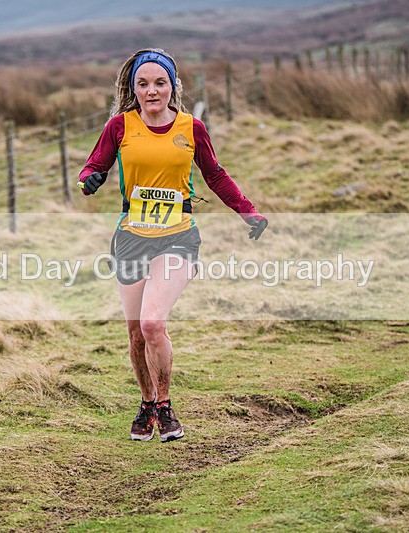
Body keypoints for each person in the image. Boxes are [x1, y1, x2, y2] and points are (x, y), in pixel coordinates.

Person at [79, 48, 268, 442]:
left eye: (159, 83)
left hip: (178, 236)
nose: (151, 91)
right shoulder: (120, 126)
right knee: (135, 332)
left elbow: (215, 174)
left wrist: (247, 212)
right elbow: (93, 166)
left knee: (152, 323)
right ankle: (146, 403)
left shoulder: (191, 128)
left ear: (172, 86)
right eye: (143, 84)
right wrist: (90, 180)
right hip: (131, 238)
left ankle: (164, 406)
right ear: (133, 88)